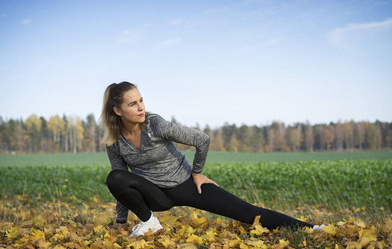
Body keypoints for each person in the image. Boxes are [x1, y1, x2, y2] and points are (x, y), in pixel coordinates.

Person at [101, 81, 324, 237]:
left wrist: (196, 173)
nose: (141, 107)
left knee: (247, 212)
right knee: (115, 177)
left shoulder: (156, 125)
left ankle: (312, 229)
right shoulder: (115, 141)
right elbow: (121, 185)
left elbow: (202, 139)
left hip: (186, 185)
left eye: (141, 100)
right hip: (155, 196)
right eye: (132, 104)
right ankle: (149, 223)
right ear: (117, 110)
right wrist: (121, 220)